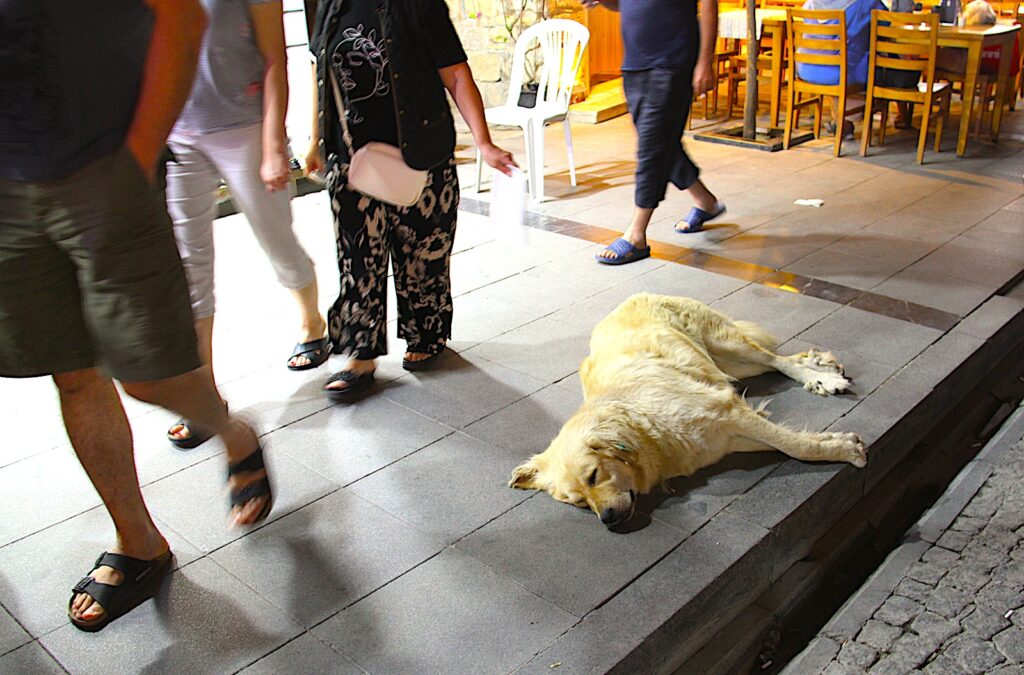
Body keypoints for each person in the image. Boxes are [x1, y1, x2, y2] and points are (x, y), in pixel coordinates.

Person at [0, 0, 272, 632]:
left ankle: (232, 432)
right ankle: (138, 540)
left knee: (147, 375)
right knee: (71, 376)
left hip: (104, 168)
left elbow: (181, 17)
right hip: (8, 193)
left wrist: (137, 154)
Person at [304, 0, 516, 401]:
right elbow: (318, 70)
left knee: (423, 255)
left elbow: (455, 74)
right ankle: (359, 355)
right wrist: (314, 137)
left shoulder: (419, 4)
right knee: (356, 258)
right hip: (352, 159)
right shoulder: (331, 5)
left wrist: (485, 143)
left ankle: (427, 334)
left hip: (419, 151)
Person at [164, 0, 330, 450]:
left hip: (245, 127)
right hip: (178, 134)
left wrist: (274, 142)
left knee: (277, 240)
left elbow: (276, 56)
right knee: (189, 267)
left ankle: (312, 323)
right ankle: (203, 398)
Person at [584, 0, 726, 266]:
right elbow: (623, 5)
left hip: (672, 60)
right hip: (635, 63)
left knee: (651, 147)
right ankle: (705, 201)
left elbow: (709, 5)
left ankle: (637, 234)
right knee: (662, 143)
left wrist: (705, 61)